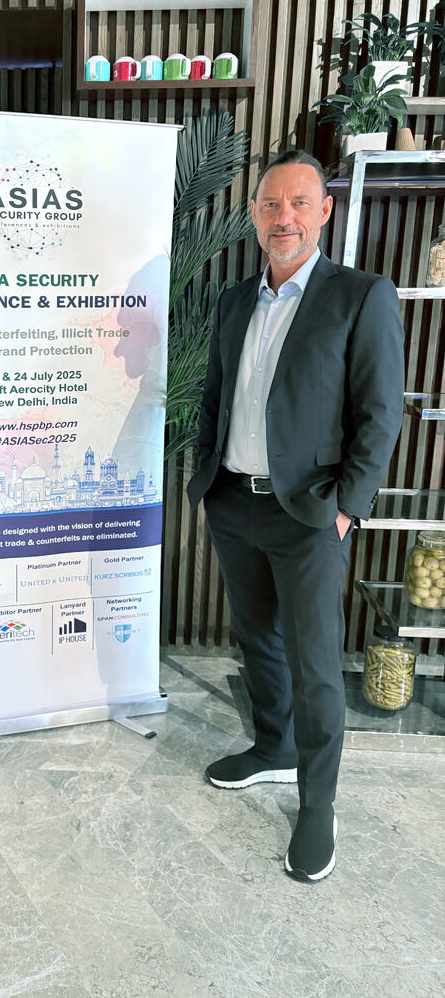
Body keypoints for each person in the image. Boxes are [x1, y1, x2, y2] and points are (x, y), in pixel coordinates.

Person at [187, 150, 404, 882]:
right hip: (234, 503)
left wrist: (346, 510)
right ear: (254, 214)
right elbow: (215, 397)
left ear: (324, 212)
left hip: (311, 514)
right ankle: (273, 746)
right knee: (258, 641)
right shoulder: (234, 301)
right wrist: (208, 475)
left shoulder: (360, 296)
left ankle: (318, 804)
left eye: (299, 203)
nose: (284, 217)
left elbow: (379, 416)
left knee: (315, 665)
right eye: (271, 204)